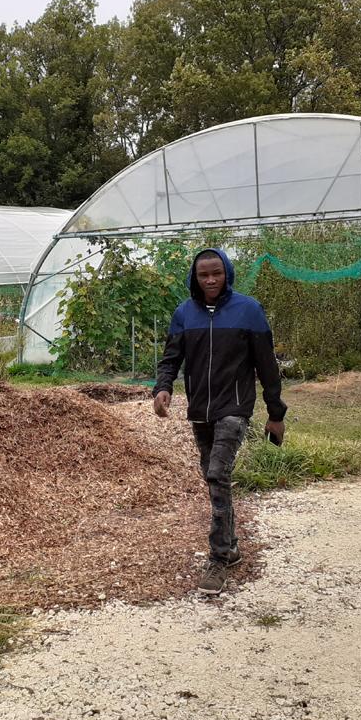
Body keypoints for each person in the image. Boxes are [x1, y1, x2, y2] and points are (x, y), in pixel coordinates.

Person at [153, 248, 287, 596]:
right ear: (194, 278)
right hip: (200, 410)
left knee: (217, 473)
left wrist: (276, 414)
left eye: (217, 273)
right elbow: (171, 358)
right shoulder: (184, 314)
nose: (211, 280)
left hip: (235, 407)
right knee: (214, 481)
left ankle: (217, 559)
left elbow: (267, 367)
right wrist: (163, 388)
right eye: (203, 275)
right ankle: (230, 547)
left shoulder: (249, 311)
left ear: (227, 273)